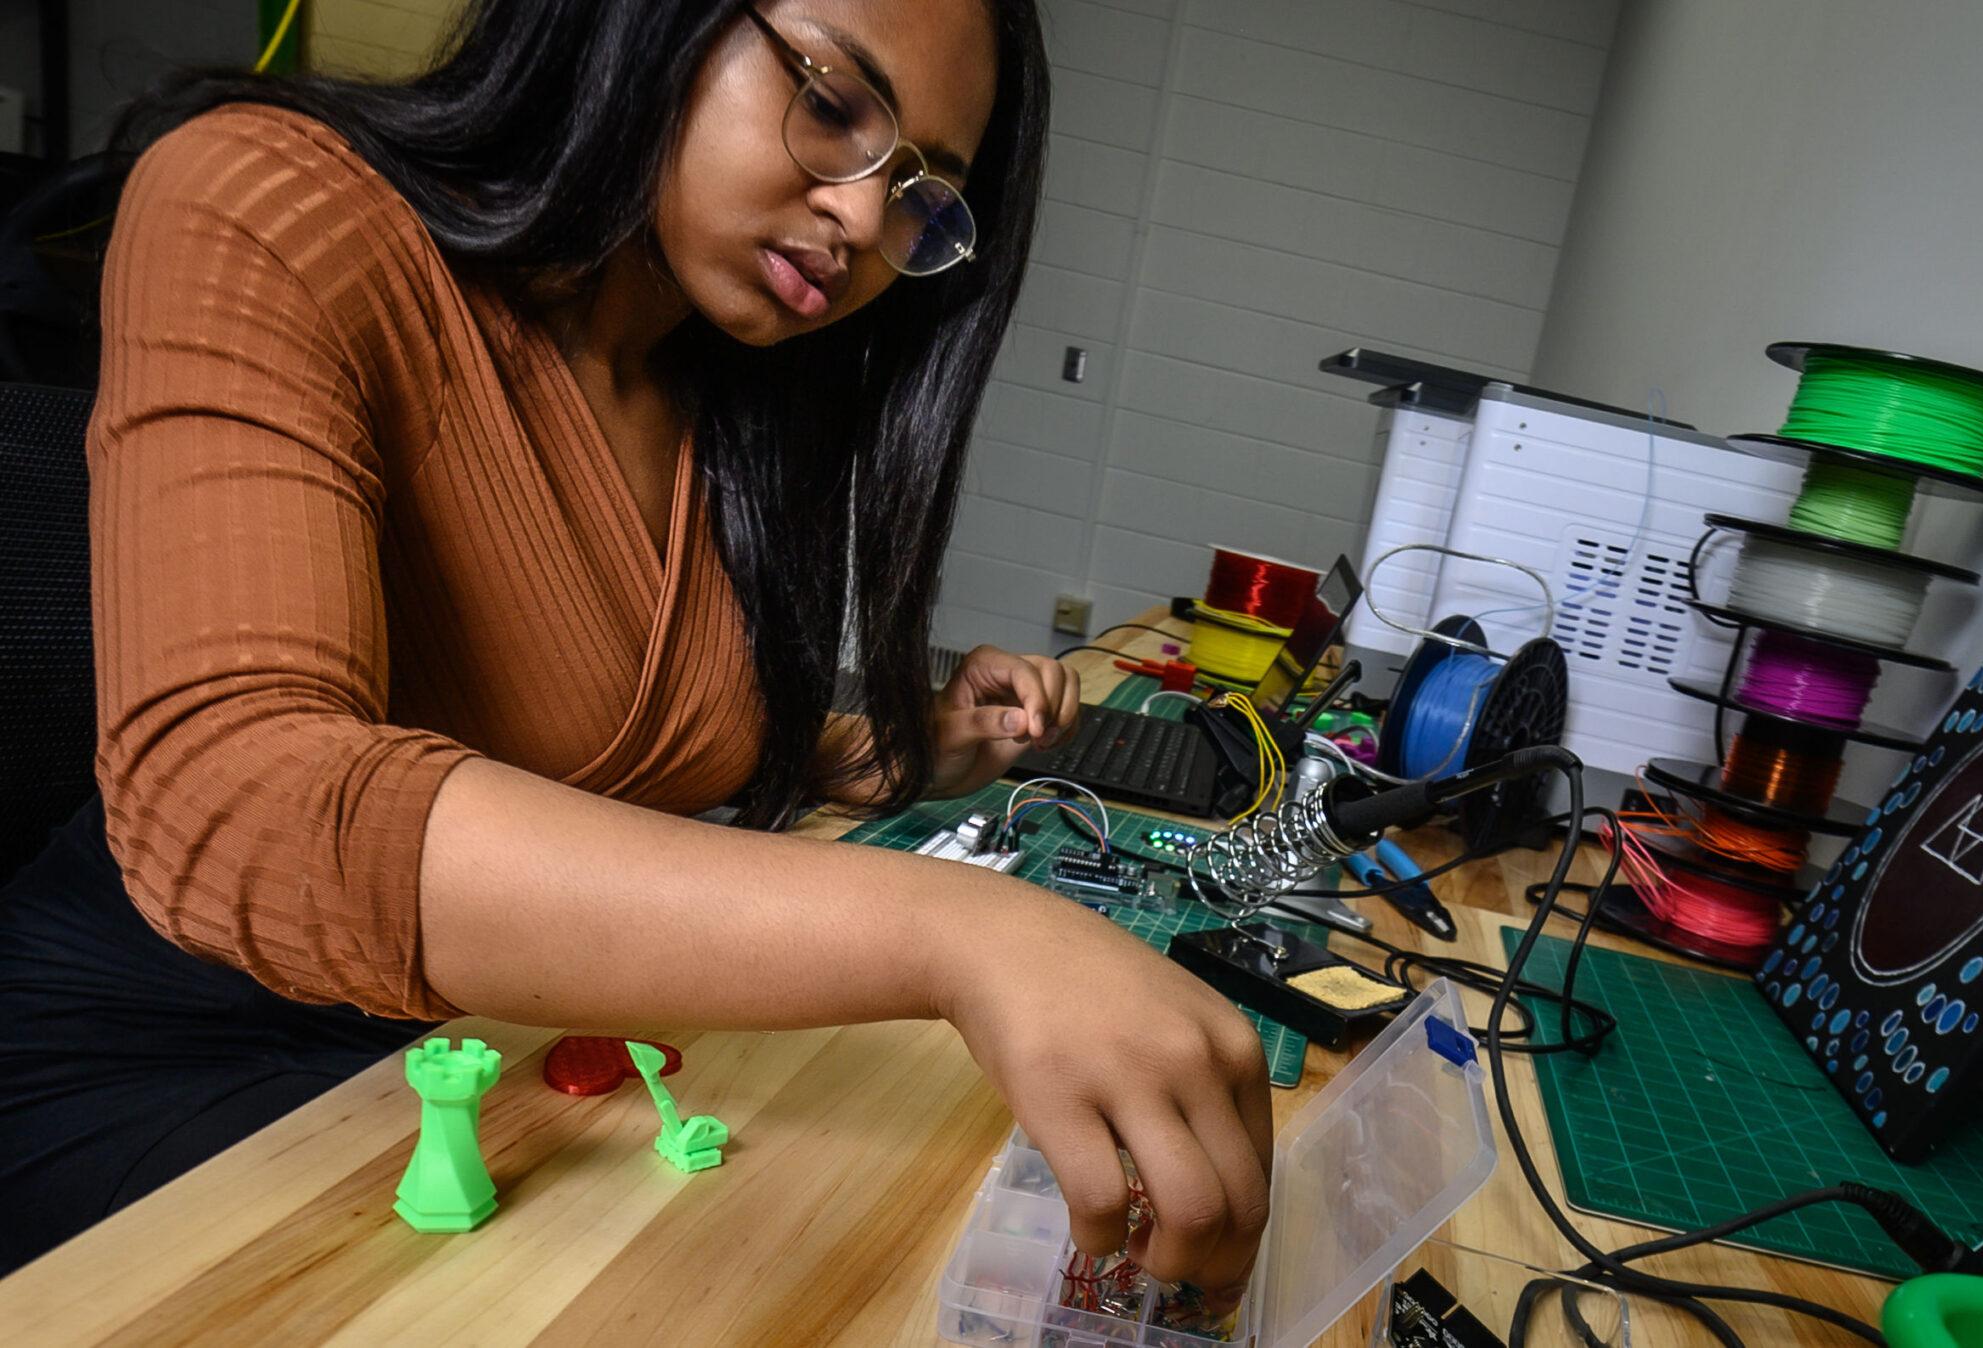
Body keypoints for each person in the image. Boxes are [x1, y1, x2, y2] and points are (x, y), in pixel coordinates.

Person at [0, 0, 1272, 1294]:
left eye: (921, 196)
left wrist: (895, 752)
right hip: (167, 1041)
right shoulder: (270, 199)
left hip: (465, 1056)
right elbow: (249, 800)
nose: (860, 221)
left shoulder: (719, 394)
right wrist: (969, 933)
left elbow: (613, 742)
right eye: (834, 107)